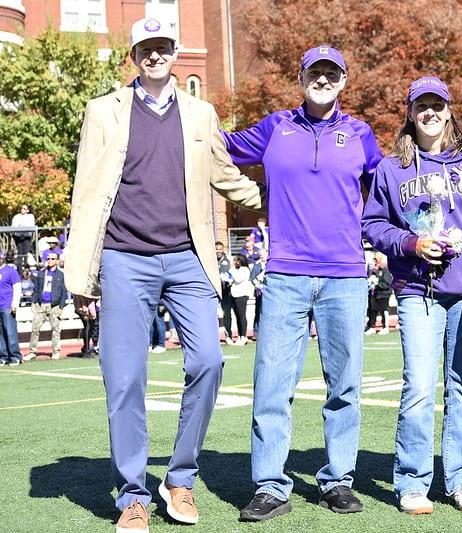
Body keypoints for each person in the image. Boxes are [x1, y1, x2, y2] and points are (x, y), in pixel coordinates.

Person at [64, 17, 265, 532]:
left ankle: (180, 480)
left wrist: (272, 202)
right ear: (133, 55)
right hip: (123, 258)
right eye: (145, 48)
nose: (155, 56)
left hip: (188, 257)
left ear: (175, 53)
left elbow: (222, 174)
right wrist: (81, 277)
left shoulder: (201, 113)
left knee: (209, 362)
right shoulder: (102, 111)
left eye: (163, 47)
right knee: (124, 379)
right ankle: (132, 494)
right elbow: (86, 194)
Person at [222, 44, 382, 522]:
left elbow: (383, 185)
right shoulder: (275, 127)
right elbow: (218, 148)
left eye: (333, 73)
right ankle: (271, 486)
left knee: (345, 385)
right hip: (287, 273)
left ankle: (338, 481)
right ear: (302, 76)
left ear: (344, 81)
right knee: (272, 384)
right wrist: (252, 194)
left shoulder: (360, 134)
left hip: (346, 276)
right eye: (316, 72)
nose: (324, 79)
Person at [362, 75, 462, 514]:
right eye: (421, 106)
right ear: (410, 114)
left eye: (437, 104)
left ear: (449, 109)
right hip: (418, 289)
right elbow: (371, 224)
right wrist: (411, 244)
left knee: (461, 385)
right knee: (419, 385)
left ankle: (461, 477)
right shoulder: (391, 169)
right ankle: (412, 481)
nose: (430, 112)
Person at [27, 251, 67, 360]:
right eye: (48, 259)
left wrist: (61, 307)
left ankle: (55, 351)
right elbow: (36, 289)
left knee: (55, 329)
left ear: (57, 261)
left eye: (52, 259)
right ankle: (32, 351)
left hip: (54, 305)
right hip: (41, 304)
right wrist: (33, 302)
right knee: (35, 328)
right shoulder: (41, 274)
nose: (50, 261)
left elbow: (64, 292)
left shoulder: (60, 275)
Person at [0, 253, 22, 366]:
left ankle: (15, 356)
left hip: (7, 305)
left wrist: (15, 304)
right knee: (0, 333)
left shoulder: (10, 271)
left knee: (10, 331)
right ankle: (3, 356)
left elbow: (17, 287)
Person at [364, 253, 393, 335]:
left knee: (384, 310)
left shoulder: (385, 270)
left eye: (376, 260)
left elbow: (387, 283)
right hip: (375, 294)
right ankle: (371, 326)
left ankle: (385, 327)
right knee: (373, 310)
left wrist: (377, 283)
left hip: (384, 294)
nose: (374, 262)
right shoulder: (374, 270)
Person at [229, 254, 253, 345]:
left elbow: (238, 279)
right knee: (237, 316)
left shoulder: (245, 270)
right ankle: (239, 335)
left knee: (242, 315)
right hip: (234, 294)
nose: (234, 262)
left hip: (242, 295)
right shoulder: (236, 270)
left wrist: (232, 270)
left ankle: (244, 336)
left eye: (236, 260)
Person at [216, 241, 235, 345]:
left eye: (220, 249)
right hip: (213, 292)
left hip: (226, 291)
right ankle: (213, 339)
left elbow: (233, 273)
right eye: (216, 249)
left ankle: (228, 336)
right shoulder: (210, 260)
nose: (218, 251)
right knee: (212, 315)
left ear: (223, 249)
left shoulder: (229, 260)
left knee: (227, 314)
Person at [249, 248, 268, 340]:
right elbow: (252, 277)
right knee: (258, 311)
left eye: (264, 255)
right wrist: (258, 285)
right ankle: (256, 331)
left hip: (269, 291)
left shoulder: (269, 264)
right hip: (259, 292)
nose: (262, 256)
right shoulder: (257, 265)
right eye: (261, 255)